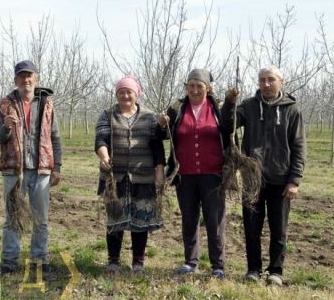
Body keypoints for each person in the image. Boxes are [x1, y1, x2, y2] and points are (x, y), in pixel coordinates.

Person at [222, 65, 306, 286]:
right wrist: (230, 103)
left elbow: (298, 146)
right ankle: (253, 269)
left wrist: (294, 180)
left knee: (279, 229)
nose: (266, 84)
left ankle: (275, 271)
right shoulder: (249, 106)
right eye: (262, 80)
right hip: (252, 178)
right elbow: (227, 126)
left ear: (281, 82)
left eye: (271, 80)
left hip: (281, 179)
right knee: (252, 227)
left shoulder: (292, 110)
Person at [158, 69, 232, 279]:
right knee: (189, 220)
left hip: (213, 176)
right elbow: (163, 134)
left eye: (199, 86)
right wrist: (162, 124)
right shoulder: (177, 107)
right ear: (186, 87)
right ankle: (191, 262)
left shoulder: (218, 108)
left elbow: (230, 130)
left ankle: (218, 265)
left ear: (208, 88)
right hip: (185, 176)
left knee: (214, 221)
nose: (195, 90)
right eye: (191, 85)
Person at [0, 60, 62, 275]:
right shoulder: (5, 104)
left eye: (29, 75)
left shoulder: (47, 104)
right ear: (15, 80)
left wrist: (57, 166)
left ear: (36, 78)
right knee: (12, 218)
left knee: (41, 219)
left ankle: (39, 260)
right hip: (14, 171)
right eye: (21, 76)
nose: (26, 80)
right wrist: (5, 127)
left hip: (41, 170)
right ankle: (9, 262)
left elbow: (55, 137)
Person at [95, 75, 165, 275]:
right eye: (121, 92)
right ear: (116, 94)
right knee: (115, 220)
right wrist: (104, 156)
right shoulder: (107, 115)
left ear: (137, 94)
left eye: (129, 92)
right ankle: (113, 261)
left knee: (140, 222)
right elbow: (100, 139)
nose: (125, 95)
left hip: (142, 177)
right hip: (114, 178)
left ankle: (138, 263)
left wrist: (159, 171)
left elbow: (157, 146)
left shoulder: (149, 117)